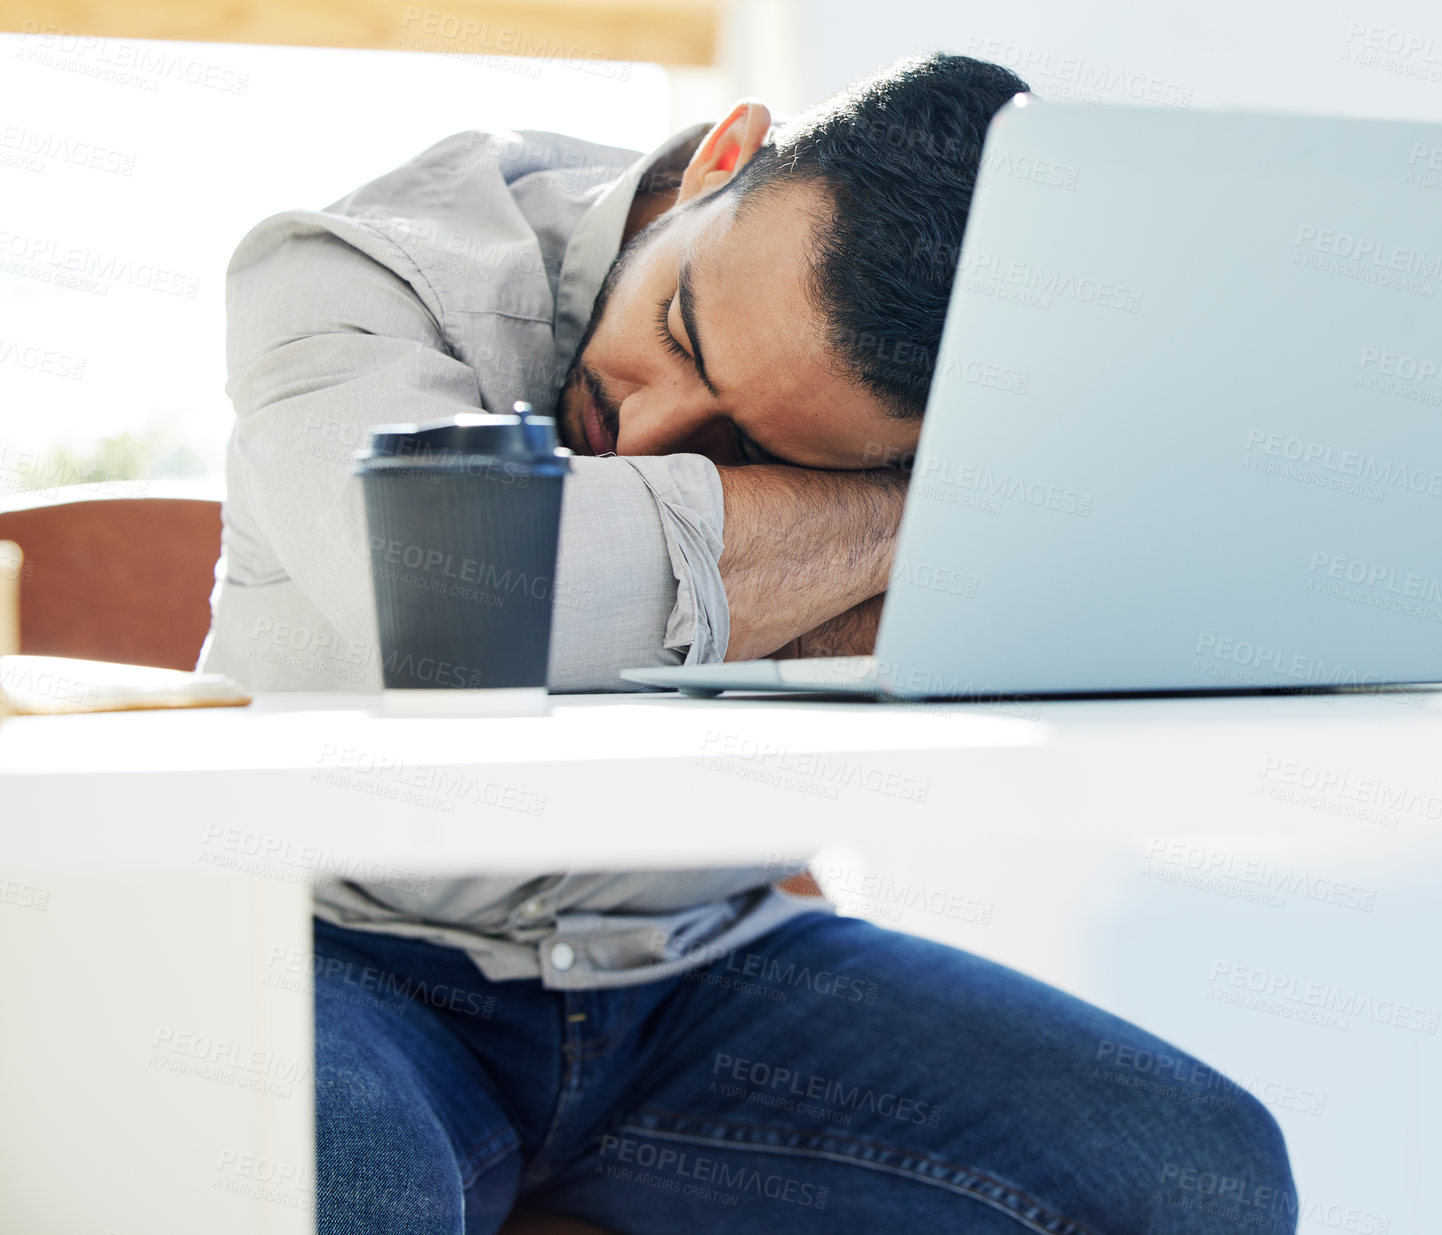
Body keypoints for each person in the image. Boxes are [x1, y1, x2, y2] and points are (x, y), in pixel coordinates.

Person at [201, 52, 1297, 1234]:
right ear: (714, 160)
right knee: (322, 1190)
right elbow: (464, 590)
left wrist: (713, 553)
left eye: (752, 448)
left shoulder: (986, 396)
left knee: (1202, 1171)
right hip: (338, 949)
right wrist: (920, 520)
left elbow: (1097, 600)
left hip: (698, 964)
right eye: (678, 326)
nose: (646, 433)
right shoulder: (354, 268)